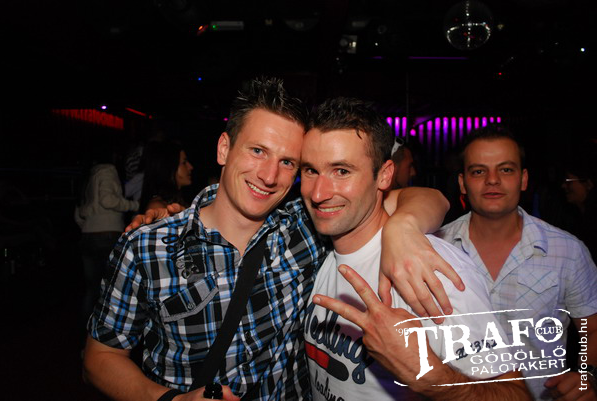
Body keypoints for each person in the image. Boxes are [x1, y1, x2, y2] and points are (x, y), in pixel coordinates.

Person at [83, 77, 458, 401]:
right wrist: (170, 399)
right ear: (224, 148)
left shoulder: (307, 226)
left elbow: (428, 198)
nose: (268, 175)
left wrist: (404, 227)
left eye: (288, 162)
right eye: (258, 151)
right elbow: (100, 357)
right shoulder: (147, 247)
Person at [303, 98, 530, 400]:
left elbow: (516, 393)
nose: (318, 193)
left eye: (342, 171)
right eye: (310, 170)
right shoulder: (320, 247)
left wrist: (430, 378)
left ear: (385, 175)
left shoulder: (431, 270)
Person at [431, 126, 597, 400]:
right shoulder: (436, 249)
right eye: (479, 171)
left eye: (506, 170)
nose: (492, 180)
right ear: (462, 183)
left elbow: (590, 329)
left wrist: (586, 374)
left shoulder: (568, 251)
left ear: (523, 179)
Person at [74, 144, 139, 327]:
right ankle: (105, 334)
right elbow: (107, 200)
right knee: (112, 290)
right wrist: (134, 205)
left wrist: (88, 226)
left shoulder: (88, 175)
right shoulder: (107, 170)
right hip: (107, 234)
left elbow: (78, 211)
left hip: (88, 236)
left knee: (92, 289)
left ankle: (86, 334)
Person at [139, 140, 194, 212]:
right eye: (184, 162)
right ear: (169, 168)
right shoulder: (158, 207)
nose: (190, 167)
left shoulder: (177, 199)